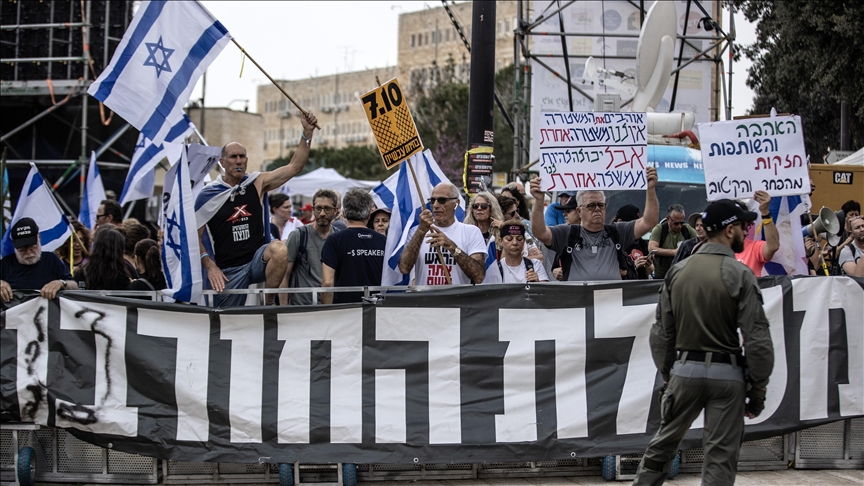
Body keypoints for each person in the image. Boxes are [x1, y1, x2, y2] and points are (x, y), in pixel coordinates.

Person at [633, 198, 774, 486]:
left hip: (685, 372)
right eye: (743, 226)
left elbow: (661, 334)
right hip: (728, 377)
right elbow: (757, 340)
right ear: (729, 230)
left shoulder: (678, 272)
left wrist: (670, 375)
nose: (746, 231)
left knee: (661, 448)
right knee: (720, 460)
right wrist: (758, 389)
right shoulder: (741, 274)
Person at [196, 111, 317, 307]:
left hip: (257, 260)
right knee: (228, 319)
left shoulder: (256, 182)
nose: (238, 161)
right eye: (233, 157)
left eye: (242, 156)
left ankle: (268, 302)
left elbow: (295, 167)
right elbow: (195, 235)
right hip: (229, 269)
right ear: (222, 162)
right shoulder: (209, 194)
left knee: (279, 249)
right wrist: (210, 266)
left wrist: (307, 132)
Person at [529, 167, 659, 281]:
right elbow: (540, 232)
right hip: (578, 299)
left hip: (612, 299)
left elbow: (649, 222)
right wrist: (539, 200)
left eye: (601, 205)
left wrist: (650, 189)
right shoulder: (567, 233)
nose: (597, 209)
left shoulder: (617, 231)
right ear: (579, 211)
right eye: (591, 205)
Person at [398, 182, 486, 285]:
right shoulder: (416, 231)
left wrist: (453, 248)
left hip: (456, 295)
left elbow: (478, 277)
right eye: (432, 200)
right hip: (425, 295)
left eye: (442, 200)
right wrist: (421, 232)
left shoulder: (471, 232)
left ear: (456, 203)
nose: (435, 205)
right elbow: (404, 268)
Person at [320, 189, 387, 304]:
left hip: (345, 309)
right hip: (376, 308)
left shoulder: (334, 240)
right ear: (369, 215)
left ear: (344, 213)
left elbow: (327, 283)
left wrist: (327, 312)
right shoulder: (384, 241)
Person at [283, 188, 341, 305]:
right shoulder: (298, 235)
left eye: (327, 208)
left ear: (335, 210)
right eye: (318, 208)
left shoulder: (339, 238)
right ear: (313, 209)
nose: (322, 213)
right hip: (302, 307)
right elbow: (285, 275)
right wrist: (283, 308)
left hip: (330, 307)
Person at [1, 218, 78, 304]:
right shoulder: (5, 264)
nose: (28, 252)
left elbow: (74, 286)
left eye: (32, 246)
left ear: (39, 238)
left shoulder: (51, 260)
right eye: (22, 249)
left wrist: (61, 283)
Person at [734, 191, 779, 276]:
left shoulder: (753, 248)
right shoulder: (713, 251)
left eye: (744, 223)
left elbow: (773, 246)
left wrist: (765, 213)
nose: (744, 228)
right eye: (738, 223)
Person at [648, 205, 694, 279]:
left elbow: (699, 243)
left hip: (682, 275)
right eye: (676, 223)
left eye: (682, 223)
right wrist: (673, 252)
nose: (679, 226)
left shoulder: (687, 230)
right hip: (661, 277)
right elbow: (651, 248)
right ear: (668, 219)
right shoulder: (659, 229)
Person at [615, 203, 654, 279]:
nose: (638, 228)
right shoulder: (613, 243)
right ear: (620, 222)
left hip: (640, 284)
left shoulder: (641, 242)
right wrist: (633, 266)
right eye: (633, 225)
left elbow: (649, 271)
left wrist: (648, 265)